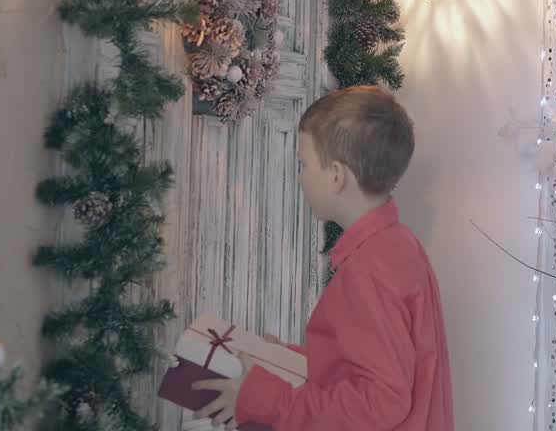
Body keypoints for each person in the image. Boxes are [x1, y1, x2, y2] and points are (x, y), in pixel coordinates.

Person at [193, 85, 453, 430]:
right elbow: (372, 366)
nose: (300, 178)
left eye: (303, 163)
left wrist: (268, 399)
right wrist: (285, 361)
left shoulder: (368, 269)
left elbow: (381, 401)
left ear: (335, 175)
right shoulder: (399, 245)